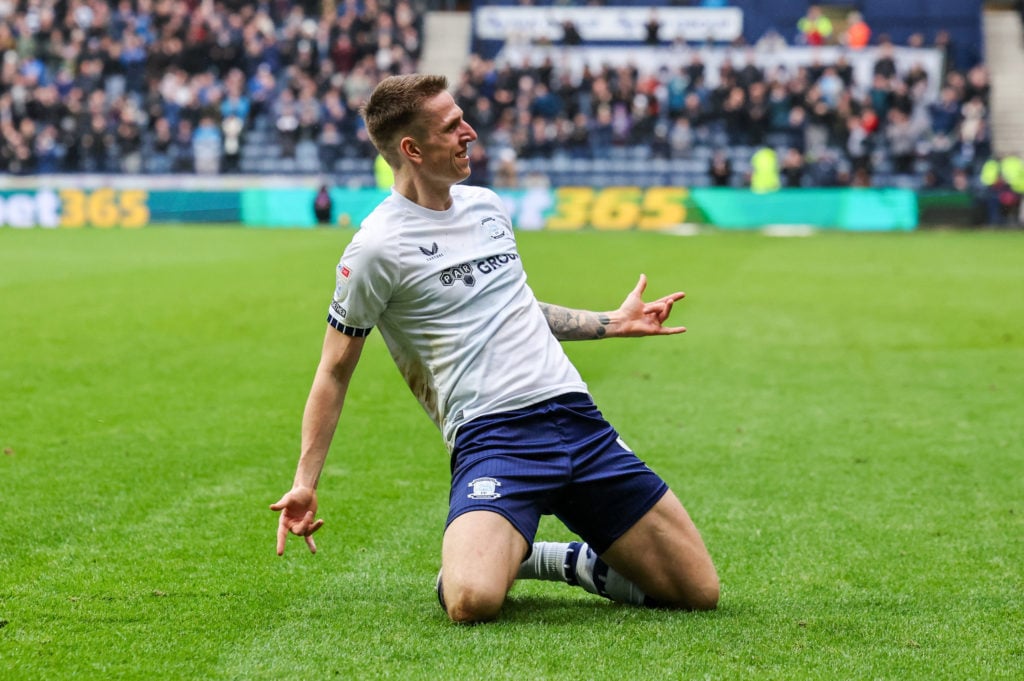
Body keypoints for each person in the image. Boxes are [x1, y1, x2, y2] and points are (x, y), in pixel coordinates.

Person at [270, 74, 719, 624]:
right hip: (492, 434)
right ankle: (526, 556)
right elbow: (334, 371)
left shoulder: (486, 207)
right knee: (471, 600)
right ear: (411, 149)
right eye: (452, 126)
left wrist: (611, 323)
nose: (471, 133)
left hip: (575, 416)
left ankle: (574, 562)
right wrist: (304, 483)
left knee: (697, 591)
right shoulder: (375, 249)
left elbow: (518, 309)